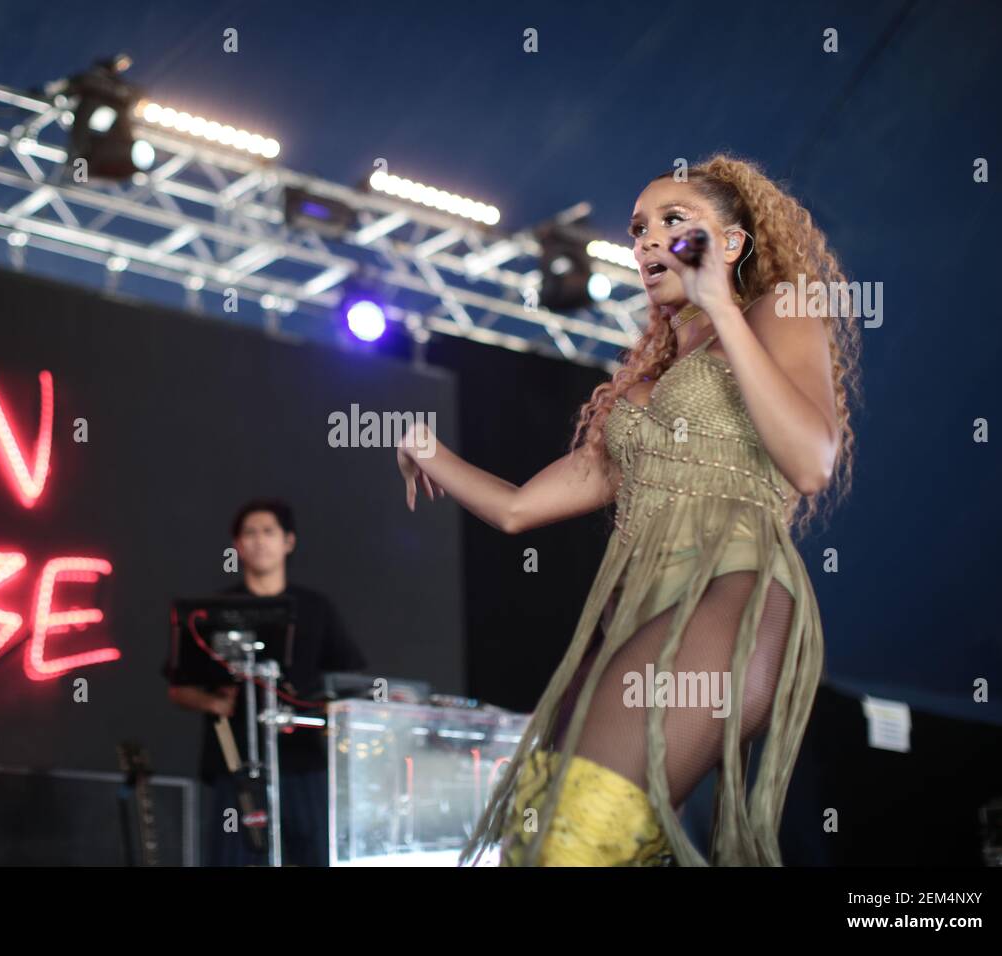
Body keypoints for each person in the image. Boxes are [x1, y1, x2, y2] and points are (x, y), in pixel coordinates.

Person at [397, 154, 861, 866]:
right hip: (633, 622)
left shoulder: (778, 312)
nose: (647, 239)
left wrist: (722, 308)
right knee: (544, 838)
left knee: (579, 839)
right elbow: (520, 509)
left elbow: (811, 461)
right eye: (639, 228)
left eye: (673, 221)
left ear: (732, 243)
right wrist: (428, 450)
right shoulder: (645, 384)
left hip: (729, 594)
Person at [167, 498, 367, 866]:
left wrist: (326, 710)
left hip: (304, 764)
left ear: (288, 541)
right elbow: (178, 686)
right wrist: (214, 703)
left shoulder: (314, 608)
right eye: (250, 533)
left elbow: (351, 678)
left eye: (269, 532)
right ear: (237, 545)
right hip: (238, 769)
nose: (260, 541)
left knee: (318, 854)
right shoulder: (212, 610)